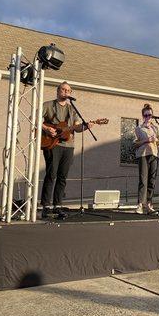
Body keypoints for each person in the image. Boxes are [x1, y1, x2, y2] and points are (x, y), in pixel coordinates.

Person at [41, 81, 92, 218]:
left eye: (68, 91)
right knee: (51, 174)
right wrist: (47, 128)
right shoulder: (48, 105)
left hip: (68, 146)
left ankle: (57, 205)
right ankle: (46, 206)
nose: (66, 92)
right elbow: (34, 119)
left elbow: (76, 127)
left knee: (62, 177)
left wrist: (86, 126)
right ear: (58, 91)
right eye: (63, 90)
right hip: (52, 143)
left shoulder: (72, 109)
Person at [134, 103, 159, 214]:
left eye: (149, 115)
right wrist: (147, 140)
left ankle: (149, 205)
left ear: (152, 115)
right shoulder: (138, 128)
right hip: (143, 155)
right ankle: (140, 205)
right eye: (145, 115)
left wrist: (158, 141)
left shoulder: (156, 128)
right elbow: (135, 144)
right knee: (143, 181)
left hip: (154, 155)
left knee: (152, 181)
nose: (148, 117)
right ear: (142, 116)